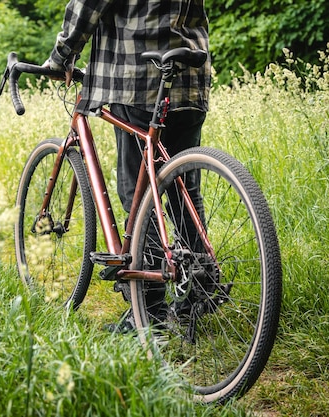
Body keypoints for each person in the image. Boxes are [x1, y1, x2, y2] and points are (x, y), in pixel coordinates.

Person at [45, 0, 211, 331]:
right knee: (183, 190)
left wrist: (62, 55)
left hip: (139, 76)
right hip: (191, 74)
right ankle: (200, 292)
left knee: (138, 192)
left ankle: (147, 309)